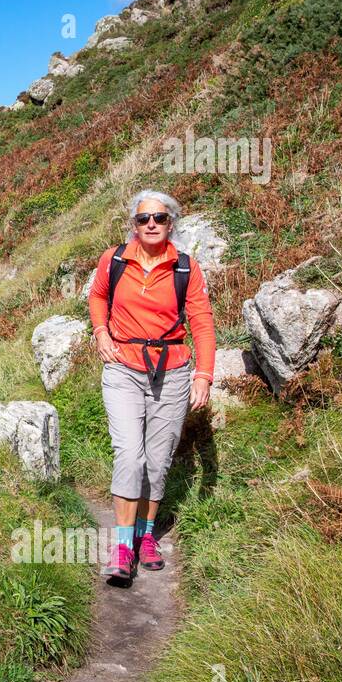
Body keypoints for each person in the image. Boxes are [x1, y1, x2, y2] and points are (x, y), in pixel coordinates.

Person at [88, 190, 215, 583]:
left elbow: (203, 322)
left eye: (159, 218)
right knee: (130, 454)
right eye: (144, 219)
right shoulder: (114, 260)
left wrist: (204, 375)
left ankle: (146, 536)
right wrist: (100, 332)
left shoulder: (185, 268)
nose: (152, 225)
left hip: (173, 371)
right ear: (134, 224)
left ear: (171, 223)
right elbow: (97, 296)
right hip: (123, 367)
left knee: (158, 460)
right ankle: (123, 546)